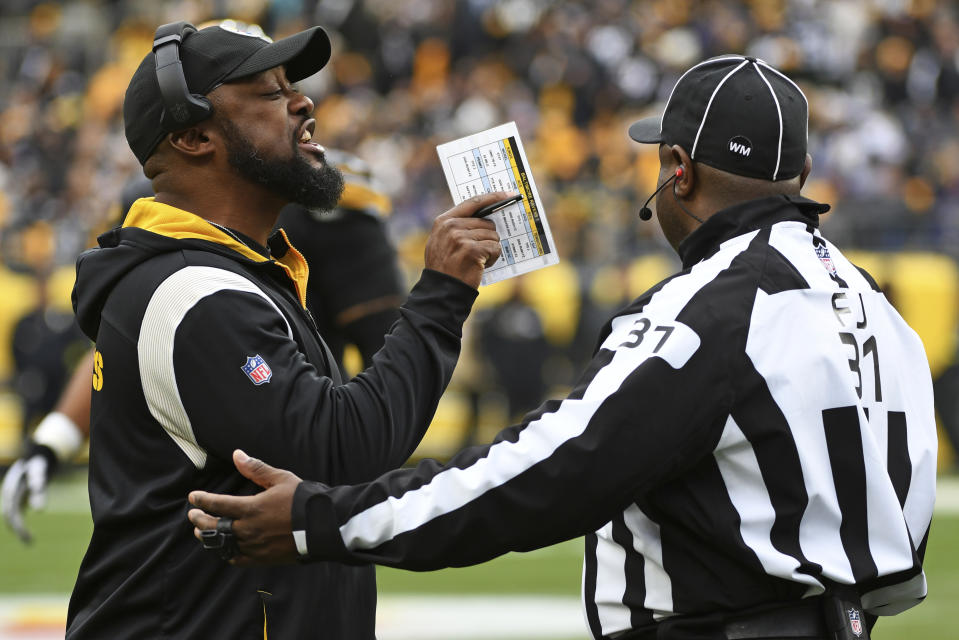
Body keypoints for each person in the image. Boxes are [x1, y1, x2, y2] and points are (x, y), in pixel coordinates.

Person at [187, 55, 938, 640]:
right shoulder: (877, 307)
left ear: (677, 170)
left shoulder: (714, 310)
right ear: (799, 175)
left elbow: (544, 473)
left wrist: (321, 519)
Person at [61, 21, 505, 639]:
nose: (303, 101)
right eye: (270, 93)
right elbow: (346, 448)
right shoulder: (195, 294)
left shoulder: (230, 276)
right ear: (194, 136)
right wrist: (442, 293)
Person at [1, 150, 405, 543]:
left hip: (293, 467)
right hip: (183, 498)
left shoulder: (322, 198)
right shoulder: (156, 206)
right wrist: (51, 443)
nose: (300, 106)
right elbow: (130, 340)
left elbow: (388, 366)